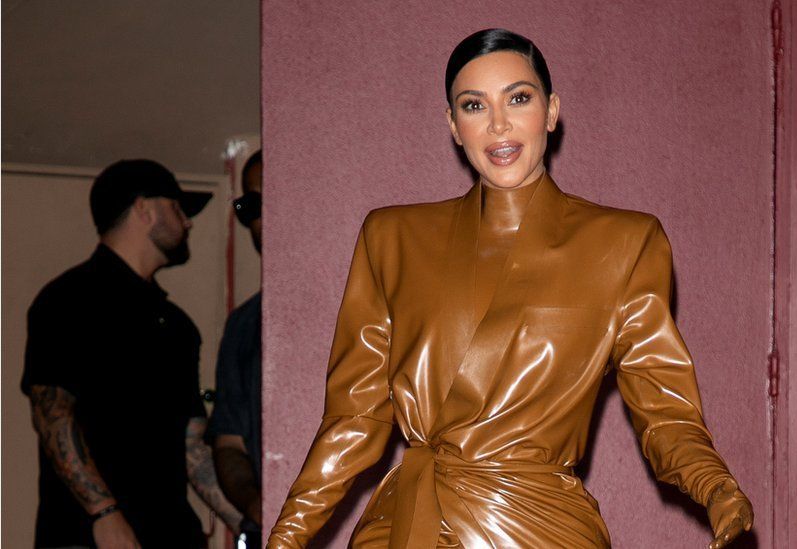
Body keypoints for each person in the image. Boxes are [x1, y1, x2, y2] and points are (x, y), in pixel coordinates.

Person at [268, 29, 754, 548]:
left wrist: (716, 487)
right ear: (453, 126)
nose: (498, 123)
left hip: (542, 526)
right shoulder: (392, 238)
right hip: (406, 525)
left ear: (551, 112)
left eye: (518, 98)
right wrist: (286, 536)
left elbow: (664, 410)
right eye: (474, 105)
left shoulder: (625, 243)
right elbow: (354, 418)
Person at [21, 159, 243, 548]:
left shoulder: (177, 326)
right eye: (177, 207)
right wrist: (104, 513)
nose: (187, 223)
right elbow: (52, 412)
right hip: (90, 536)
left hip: (170, 535)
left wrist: (249, 522)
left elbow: (191, 446)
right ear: (144, 209)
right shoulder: (69, 299)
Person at [209, 150, 264, 548]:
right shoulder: (244, 324)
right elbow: (228, 442)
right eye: (251, 206)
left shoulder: (365, 296)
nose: (262, 218)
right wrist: (254, 501)